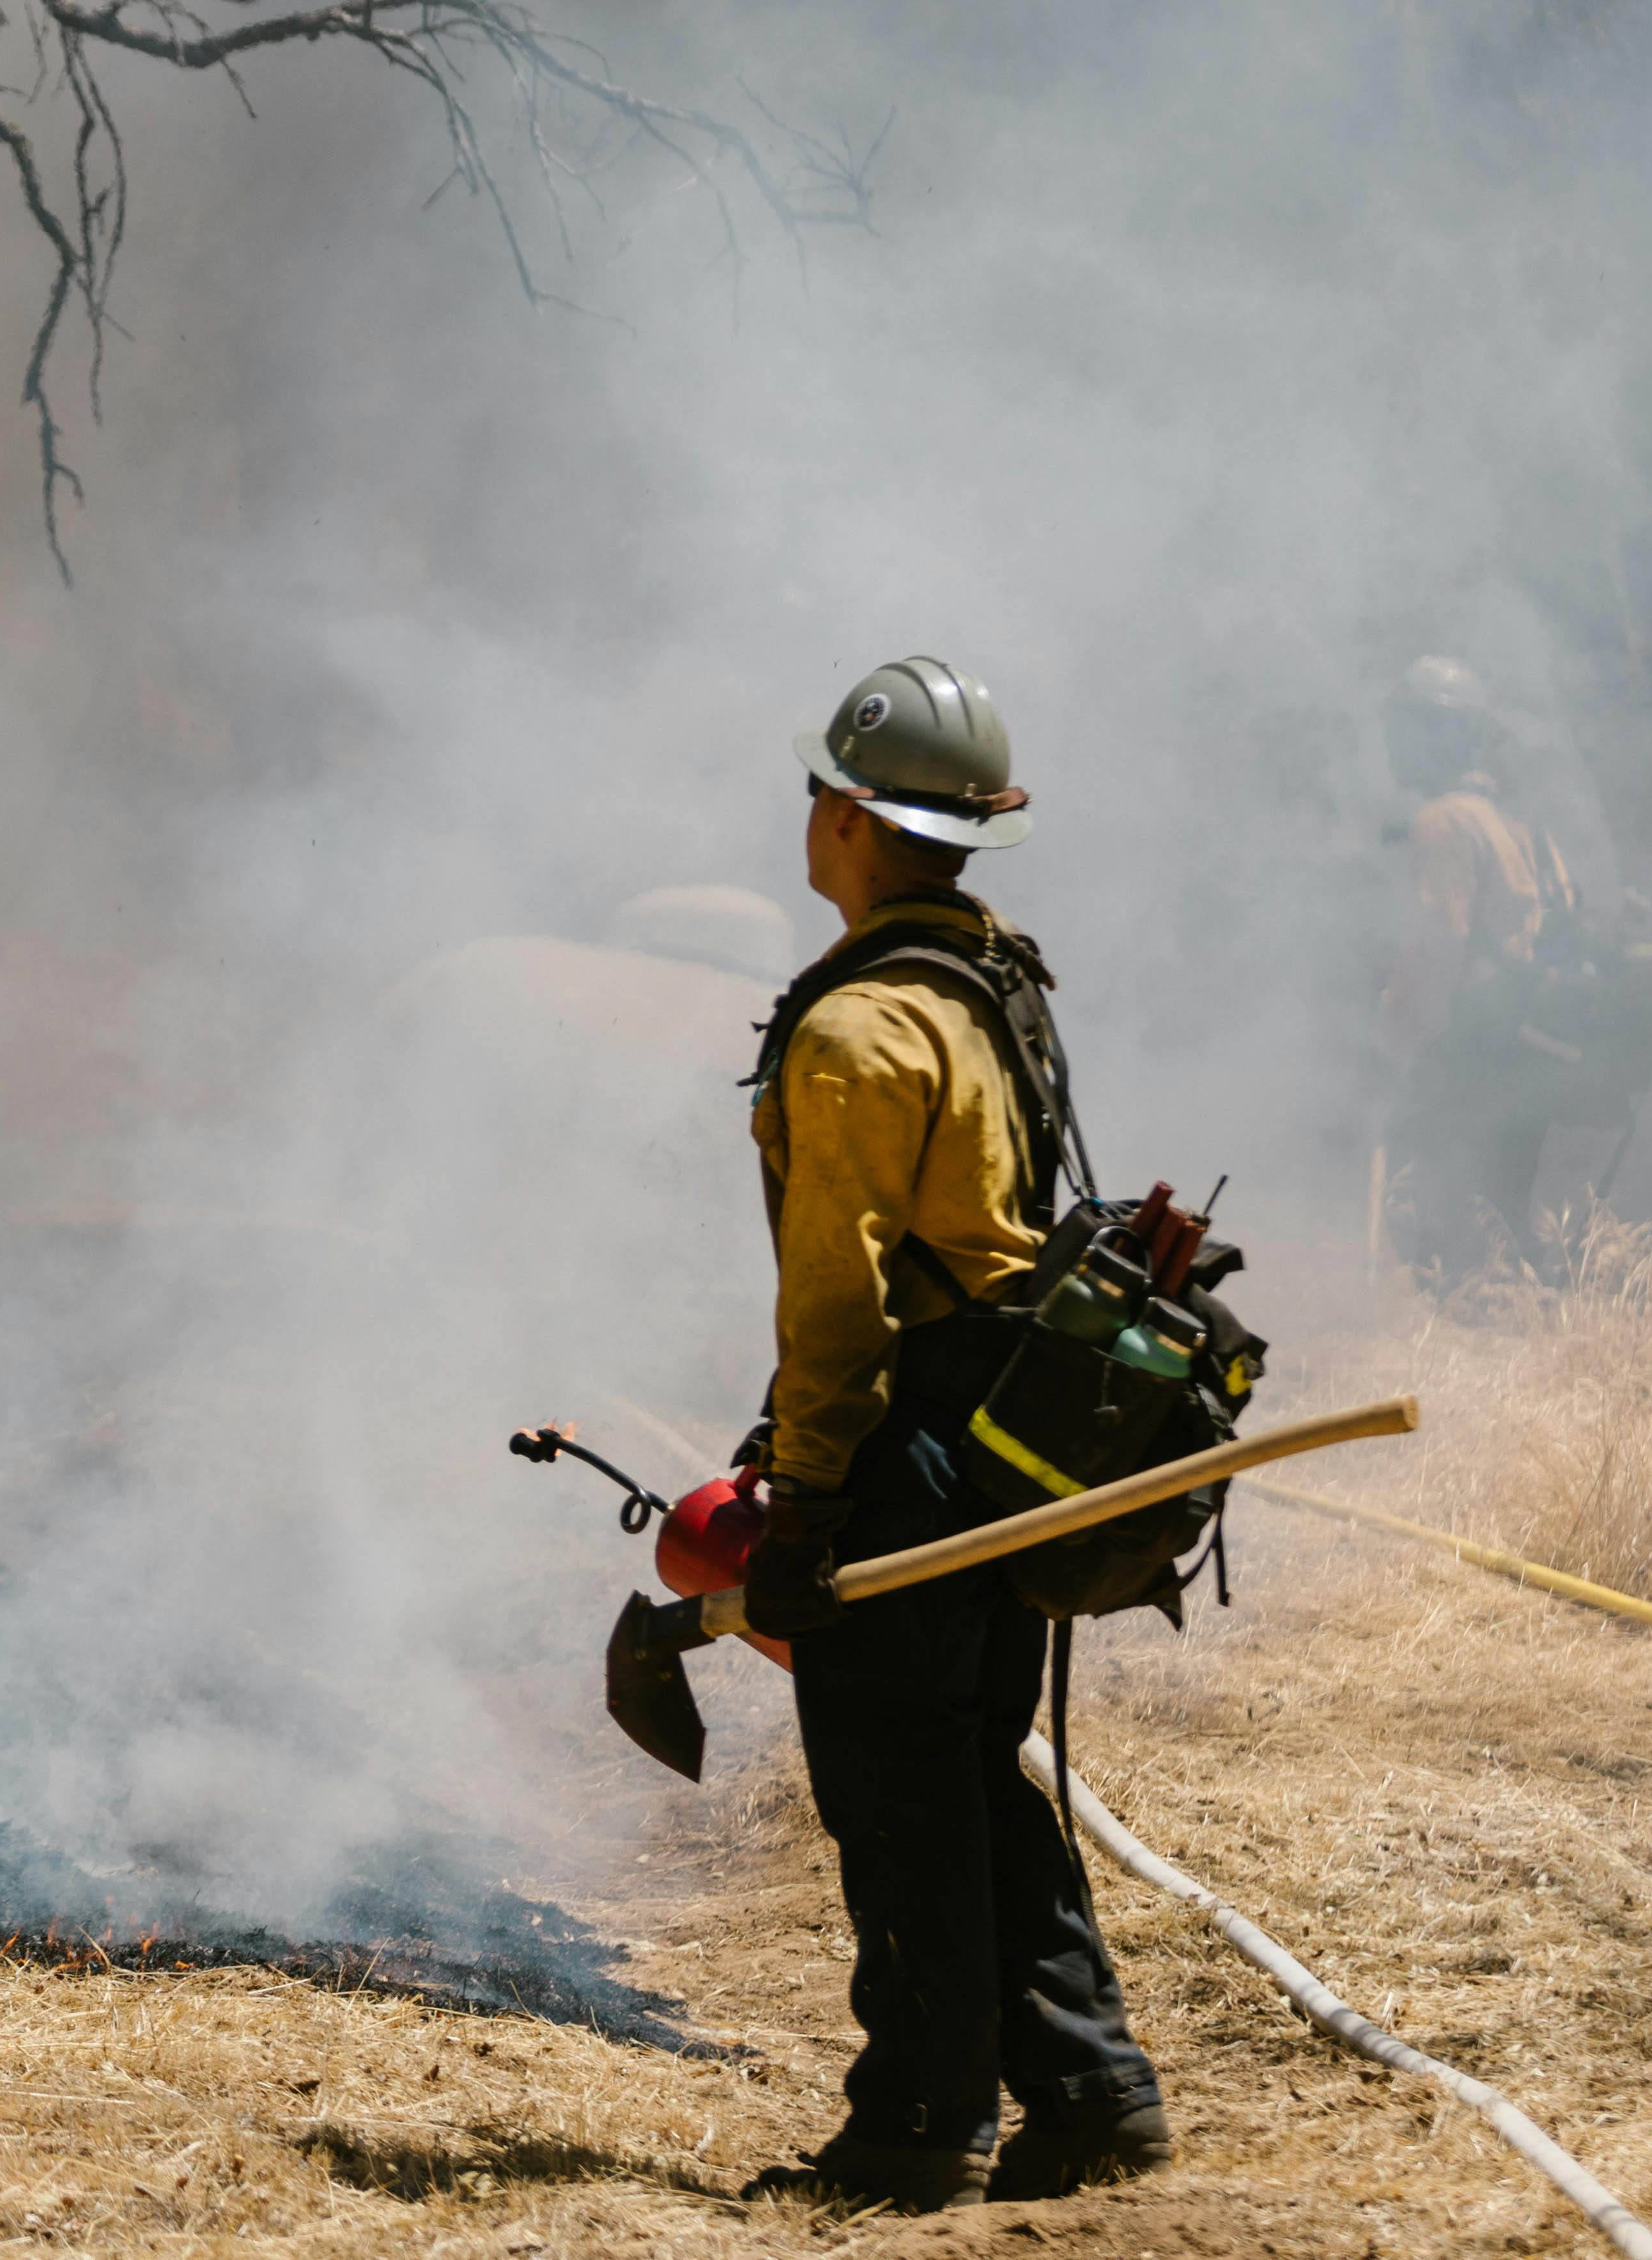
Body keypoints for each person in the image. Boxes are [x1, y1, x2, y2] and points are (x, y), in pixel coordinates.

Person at [727, 657, 1167, 2214]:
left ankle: (915, 2127)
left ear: (850, 816)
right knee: (977, 1767)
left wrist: (804, 1499)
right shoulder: (990, 982)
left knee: (899, 1781)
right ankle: (1089, 2091)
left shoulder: (858, 1026)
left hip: (909, 1441)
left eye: (815, 796)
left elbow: (840, 1295)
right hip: (998, 1428)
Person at [1371, 655, 1575, 1276]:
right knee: (1498, 1230)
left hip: (1467, 1057)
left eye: (1407, 726)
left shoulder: (1443, 823)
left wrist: (1390, 1045)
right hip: (1529, 1053)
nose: (1394, 743)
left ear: (1442, 733)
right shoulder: (1517, 824)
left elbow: (1437, 955)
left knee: (1430, 1227)